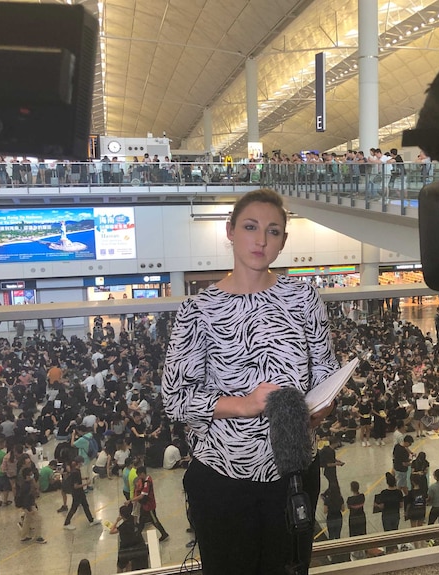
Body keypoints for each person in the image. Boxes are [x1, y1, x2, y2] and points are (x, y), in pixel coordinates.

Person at [162, 188, 340, 575]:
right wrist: (243, 404)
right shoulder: (199, 310)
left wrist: (321, 407)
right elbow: (176, 398)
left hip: (292, 472)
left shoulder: (303, 298)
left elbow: (325, 369)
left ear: (284, 241)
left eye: (273, 231)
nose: (261, 240)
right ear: (229, 231)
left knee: (290, 569)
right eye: (250, 227)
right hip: (224, 479)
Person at [128, 466, 169, 541]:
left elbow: (142, 495)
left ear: (143, 473)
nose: (139, 477)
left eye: (139, 475)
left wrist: (131, 500)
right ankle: (138, 535)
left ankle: (164, 533)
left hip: (149, 506)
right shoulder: (147, 478)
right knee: (141, 520)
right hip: (145, 505)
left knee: (154, 521)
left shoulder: (147, 483)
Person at [63, 457, 102, 529]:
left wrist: (83, 479)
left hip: (80, 492)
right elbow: (76, 486)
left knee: (85, 506)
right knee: (74, 508)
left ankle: (91, 520)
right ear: (80, 463)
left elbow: (75, 480)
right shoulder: (76, 472)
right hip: (77, 493)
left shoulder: (75, 470)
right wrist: (86, 484)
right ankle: (66, 523)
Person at [110, 504, 148, 573]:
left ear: (121, 515)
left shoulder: (123, 526)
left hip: (125, 548)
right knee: (130, 564)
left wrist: (116, 521)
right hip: (136, 545)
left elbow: (111, 531)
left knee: (120, 566)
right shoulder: (134, 519)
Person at [16, 466, 46, 543]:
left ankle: (23, 536)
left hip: (29, 505)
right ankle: (38, 537)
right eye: (31, 474)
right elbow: (25, 500)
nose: (32, 476)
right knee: (38, 520)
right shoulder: (26, 487)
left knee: (27, 521)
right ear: (27, 476)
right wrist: (28, 510)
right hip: (29, 507)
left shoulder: (27, 484)